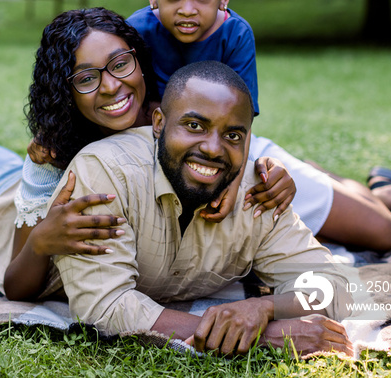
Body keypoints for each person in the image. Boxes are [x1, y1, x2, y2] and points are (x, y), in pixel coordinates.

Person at [0, 8, 295, 302]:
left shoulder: (165, 114)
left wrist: (264, 173)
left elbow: (225, 141)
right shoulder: (51, 150)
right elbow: (17, 286)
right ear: (66, 91)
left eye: (120, 64)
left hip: (15, 184)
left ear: (139, 61)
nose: (110, 86)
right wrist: (43, 243)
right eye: (86, 77)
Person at [126, 0, 391, 251]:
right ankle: (343, 182)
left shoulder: (236, 35)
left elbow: (241, 125)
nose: (187, 8)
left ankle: (384, 193)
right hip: (182, 160)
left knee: (383, 232)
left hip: (233, 153)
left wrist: (234, 182)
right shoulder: (136, 33)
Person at [48, 60, 352, 356]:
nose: (212, 148)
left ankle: (365, 184)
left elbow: (334, 286)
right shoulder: (104, 172)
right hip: (8, 220)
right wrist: (261, 336)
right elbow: (105, 308)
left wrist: (264, 307)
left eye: (232, 135)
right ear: (158, 123)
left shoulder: (256, 192)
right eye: (194, 126)